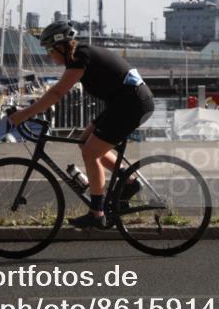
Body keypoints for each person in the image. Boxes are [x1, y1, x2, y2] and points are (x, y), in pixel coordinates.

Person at [8, 21, 155, 228]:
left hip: (132, 105)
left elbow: (57, 93)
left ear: (62, 46)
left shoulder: (79, 57)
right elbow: (57, 92)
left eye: (50, 49)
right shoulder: (80, 56)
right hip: (123, 103)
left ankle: (97, 213)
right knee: (84, 141)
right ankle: (128, 183)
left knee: (90, 152)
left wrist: (24, 114)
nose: (49, 55)